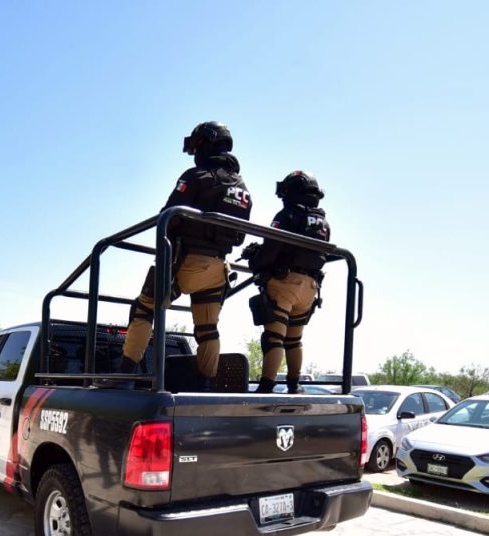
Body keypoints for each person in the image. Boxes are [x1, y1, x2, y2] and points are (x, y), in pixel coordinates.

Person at [119, 121, 253, 389]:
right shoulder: (243, 188)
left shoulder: (195, 176)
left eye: (196, 146)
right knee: (207, 329)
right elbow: (239, 237)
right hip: (218, 269)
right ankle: (206, 385)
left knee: (144, 309)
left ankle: (124, 377)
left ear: (206, 143)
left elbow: (168, 217)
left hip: (185, 261)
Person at [248, 170, 331, 394]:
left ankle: (266, 386)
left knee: (274, 337)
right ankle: (294, 385)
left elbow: (271, 249)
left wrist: (255, 259)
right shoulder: (323, 222)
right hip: (310, 288)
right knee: (294, 340)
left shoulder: (287, 215)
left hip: (285, 283)